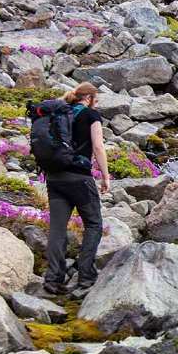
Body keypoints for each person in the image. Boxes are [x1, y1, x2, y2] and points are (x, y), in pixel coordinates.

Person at [43, 82, 109, 299]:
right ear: (89, 98)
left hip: (54, 177)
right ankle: (86, 276)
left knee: (57, 228)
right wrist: (105, 176)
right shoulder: (91, 115)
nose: (95, 103)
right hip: (79, 178)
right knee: (94, 224)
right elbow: (98, 146)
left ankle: (53, 280)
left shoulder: (59, 113)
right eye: (95, 99)